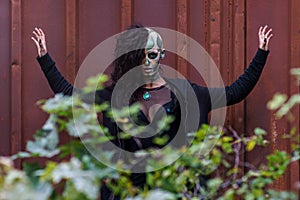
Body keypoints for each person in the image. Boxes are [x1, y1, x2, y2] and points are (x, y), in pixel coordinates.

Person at [32, 24, 273, 199]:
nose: (150, 61)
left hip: (174, 191)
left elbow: (234, 92)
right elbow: (69, 95)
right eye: (144, 55)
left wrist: (261, 54)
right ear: (132, 58)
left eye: (155, 55)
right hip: (128, 192)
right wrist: (44, 58)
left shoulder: (186, 93)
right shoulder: (113, 96)